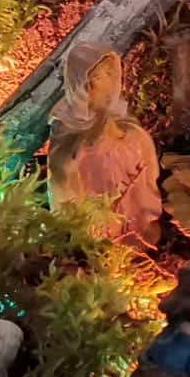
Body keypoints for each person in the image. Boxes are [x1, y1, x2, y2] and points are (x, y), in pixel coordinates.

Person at [47, 43, 162, 246]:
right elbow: (62, 163)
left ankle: (135, 221)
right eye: (100, 76)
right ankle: (103, 232)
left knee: (135, 143)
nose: (109, 82)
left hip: (121, 176)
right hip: (94, 186)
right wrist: (90, 143)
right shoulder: (68, 120)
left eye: (111, 74)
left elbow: (128, 130)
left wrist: (120, 136)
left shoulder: (116, 111)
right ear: (84, 83)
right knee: (98, 158)